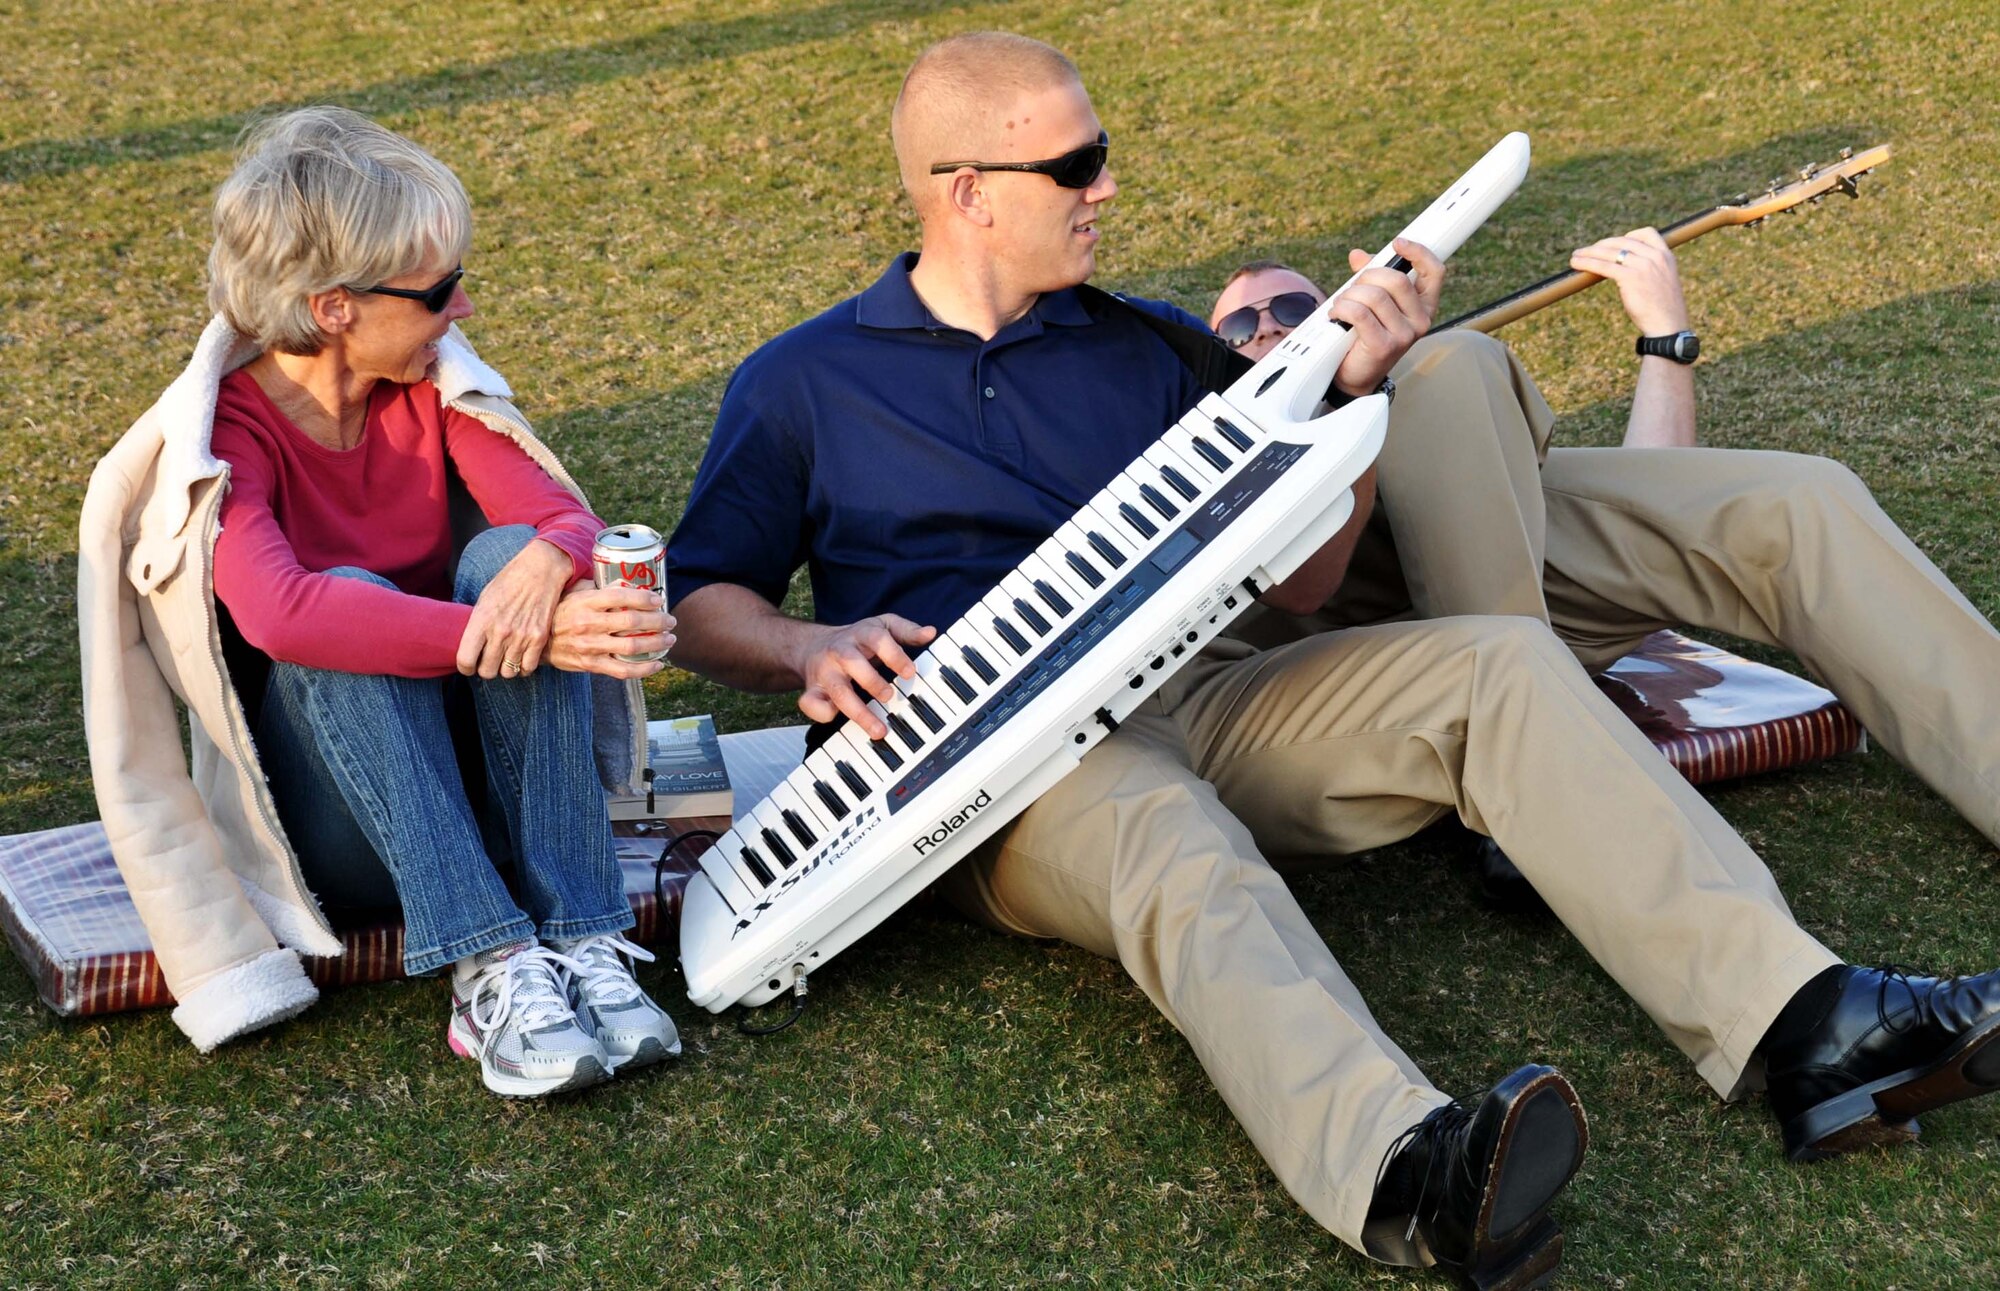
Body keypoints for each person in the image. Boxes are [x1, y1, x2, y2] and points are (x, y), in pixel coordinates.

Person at [664, 33, 2000, 1286]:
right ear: (967, 193)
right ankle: (1406, 1170)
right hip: (995, 770)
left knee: (1496, 666)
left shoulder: (1146, 348)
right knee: (1160, 827)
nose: (1105, 185)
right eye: (1074, 167)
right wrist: (804, 642)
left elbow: (1299, 581)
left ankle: (1808, 1028)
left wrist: (1361, 393)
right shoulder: (805, 382)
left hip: (1209, 684)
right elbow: (699, 598)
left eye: (1101, 151)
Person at [78, 107, 680, 1097]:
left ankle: (580, 937)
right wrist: (516, 632)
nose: (464, 309)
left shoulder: (428, 386)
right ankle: (484, 963)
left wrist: (543, 568)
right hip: (344, 830)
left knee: (503, 553)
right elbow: (279, 614)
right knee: (342, 602)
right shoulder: (227, 434)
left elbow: (558, 512)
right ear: (333, 308)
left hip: (473, 793)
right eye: (439, 289)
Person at [1211, 232, 2000, 908]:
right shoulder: (1191, 454)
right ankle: (1538, 789)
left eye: (1295, 310)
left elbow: (1657, 525)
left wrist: (1665, 340)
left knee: (1797, 500)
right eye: (1238, 325)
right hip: (1330, 672)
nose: (1268, 329)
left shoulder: (1430, 409)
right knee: (1453, 365)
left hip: (1500, 593)